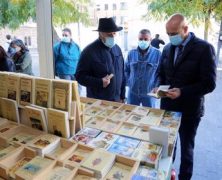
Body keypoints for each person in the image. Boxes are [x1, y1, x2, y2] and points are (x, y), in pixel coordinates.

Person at [156, 14, 216, 180]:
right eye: (168, 33)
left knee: (187, 148)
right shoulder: (167, 48)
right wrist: (158, 86)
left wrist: (182, 91)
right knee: (169, 146)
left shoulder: (204, 48)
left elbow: (209, 84)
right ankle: (168, 174)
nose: (170, 37)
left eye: (174, 33)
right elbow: (161, 73)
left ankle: (185, 177)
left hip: (190, 111)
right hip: (168, 108)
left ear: (185, 29)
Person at [75, 17, 125, 102]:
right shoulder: (89, 51)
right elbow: (79, 76)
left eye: (114, 33)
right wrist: (99, 82)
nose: (112, 36)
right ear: (101, 33)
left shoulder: (117, 49)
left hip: (117, 100)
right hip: (98, 101)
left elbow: (122, 74)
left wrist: (122, 96)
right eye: (109, 34)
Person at [125, 29, 161, 107]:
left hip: (149, 93)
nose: (143, 41)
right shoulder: (131, 53)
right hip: (133, 93)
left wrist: (157, 86)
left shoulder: (157, 54)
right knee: (130, 114)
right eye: (140, 39)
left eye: (146, 39)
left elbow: (160, 73)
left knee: (149, 116)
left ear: (150, 40)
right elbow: (126, 70)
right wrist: (130, 82)